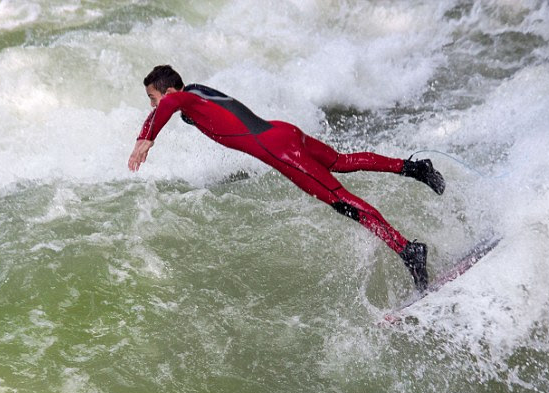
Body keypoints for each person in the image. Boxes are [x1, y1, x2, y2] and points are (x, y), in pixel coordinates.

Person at [127, 65, 445, 290]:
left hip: (279, 150)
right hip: (283, 131)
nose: (153, 105)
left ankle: (408, 251)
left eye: (152, 98)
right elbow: (163, 108)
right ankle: (416, 168)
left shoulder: (183, 99)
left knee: (342, 201)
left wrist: (148, 139)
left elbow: (169, 103)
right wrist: (145, 131)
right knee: (341, 161)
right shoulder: (196, 93)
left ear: (167, 91)